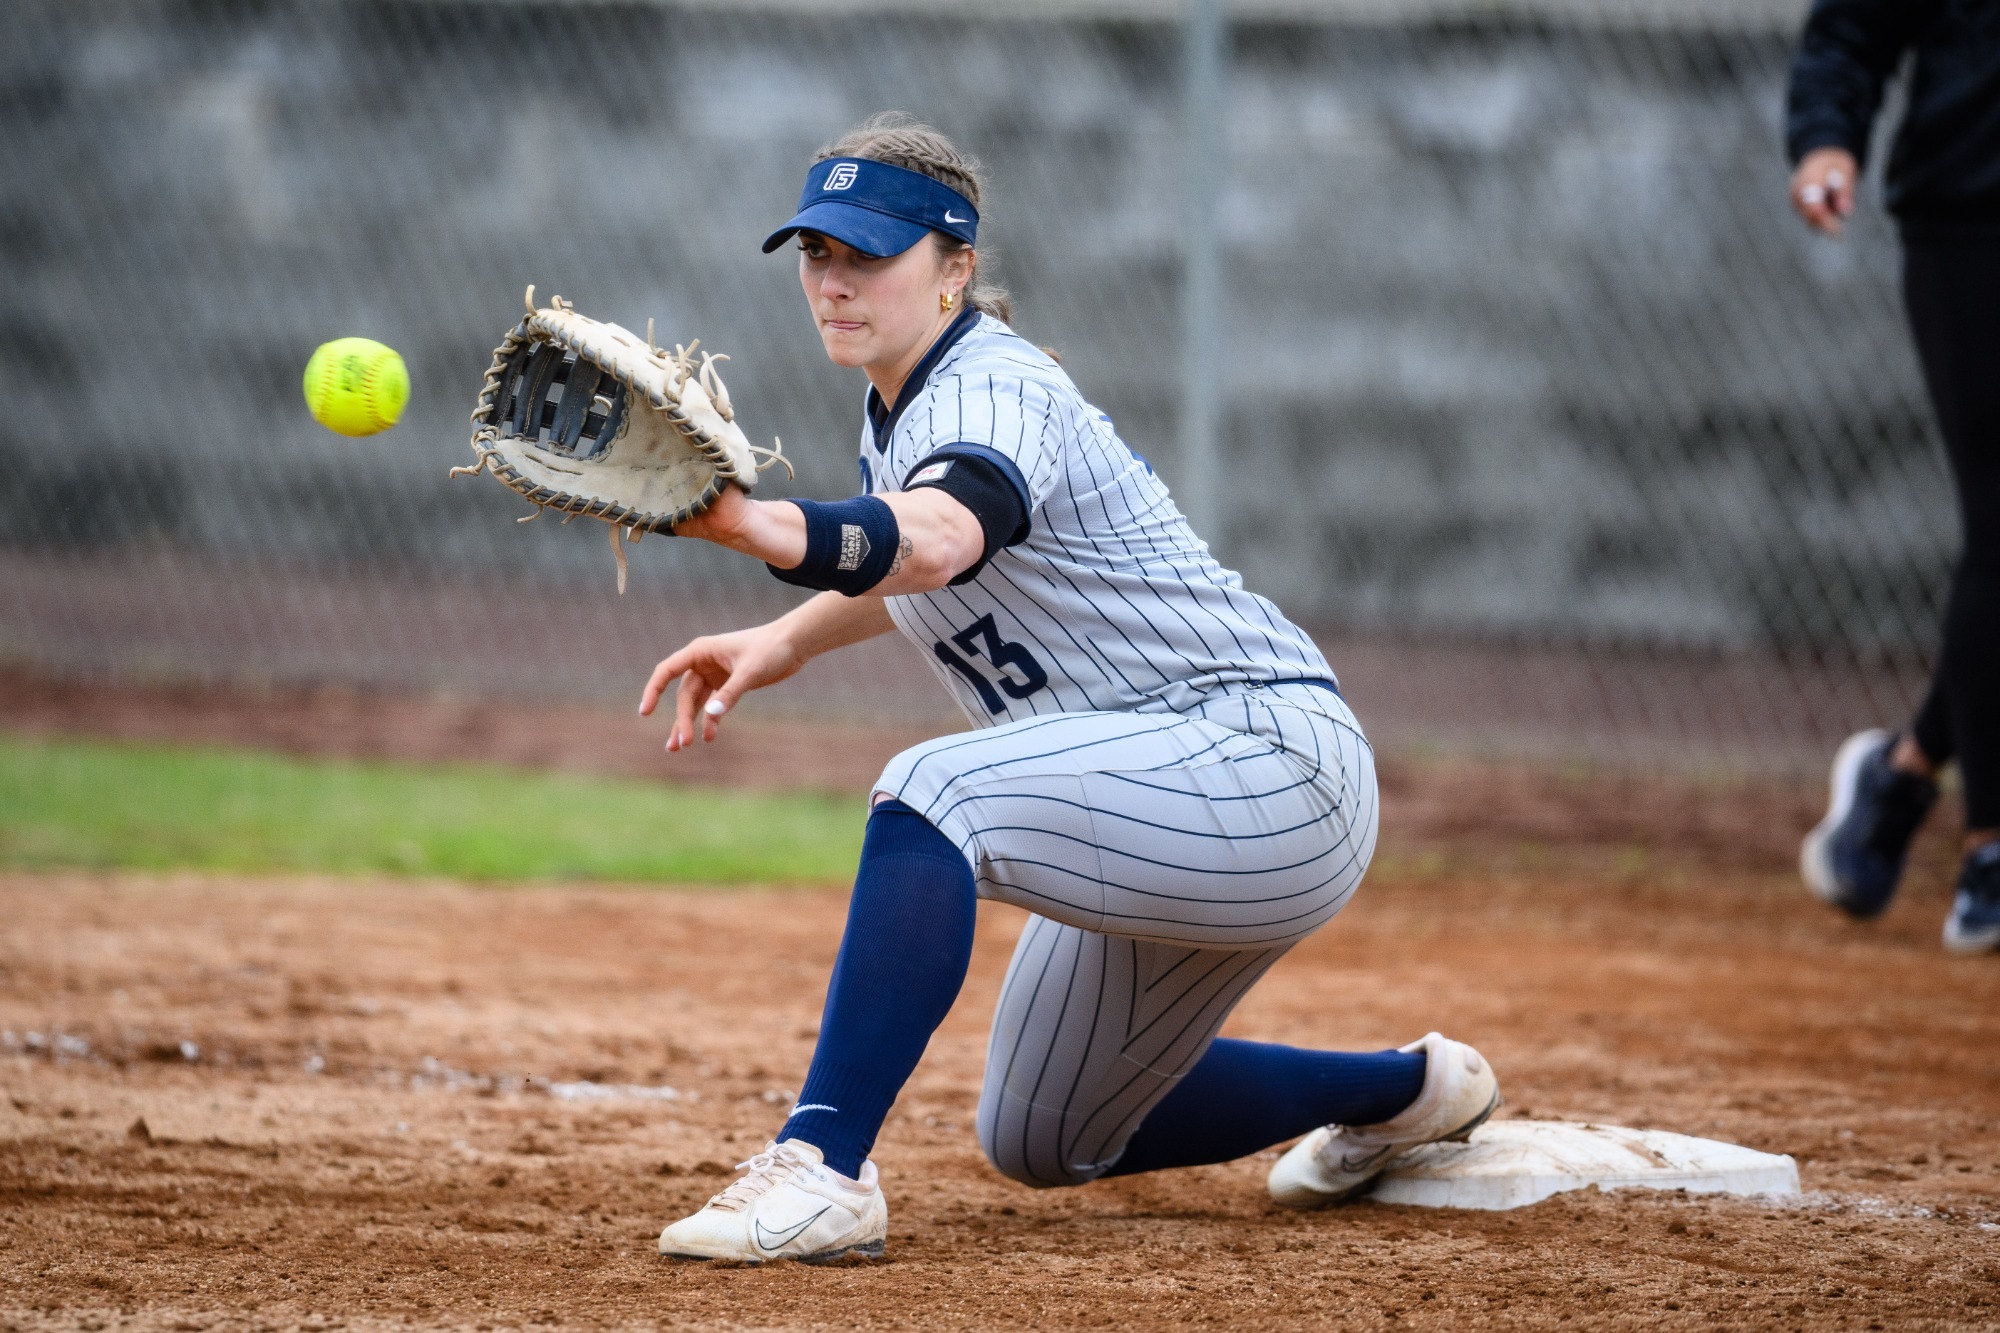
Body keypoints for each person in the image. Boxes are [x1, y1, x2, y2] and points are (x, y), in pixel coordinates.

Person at [636, 113, 1499, 1264]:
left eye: (868, 254)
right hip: (1167, 788)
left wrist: (749, 525)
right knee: (1043, 1130)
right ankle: (1412, 1093)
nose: (834, 281)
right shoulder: (902, 401)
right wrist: (781, 639)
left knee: (929, 791)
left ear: (954, 270)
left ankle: (824, 1168)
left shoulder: (998, 389)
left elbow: (935, 540)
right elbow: (917, 559)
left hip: (1267, 763)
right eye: (816, 253)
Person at [1785, 1, 2000, 952]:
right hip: (1973, 218)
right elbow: (1852, 25)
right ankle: (1990, 847)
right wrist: (1828, 137)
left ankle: (1902, 779)